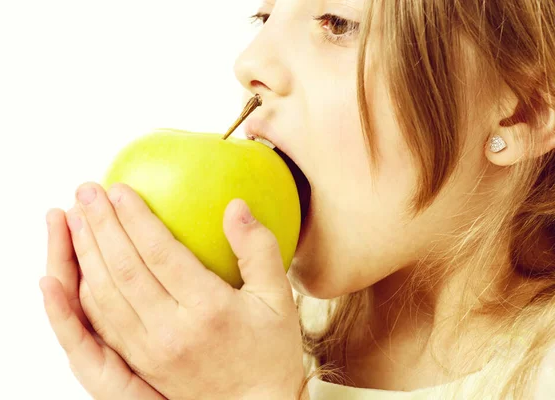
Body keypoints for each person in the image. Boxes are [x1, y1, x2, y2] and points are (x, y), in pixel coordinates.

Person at [40, 0, 555, 399]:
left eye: (336, 22)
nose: (250, 62)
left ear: (523, 111)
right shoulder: (242, 338)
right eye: (264, 15)